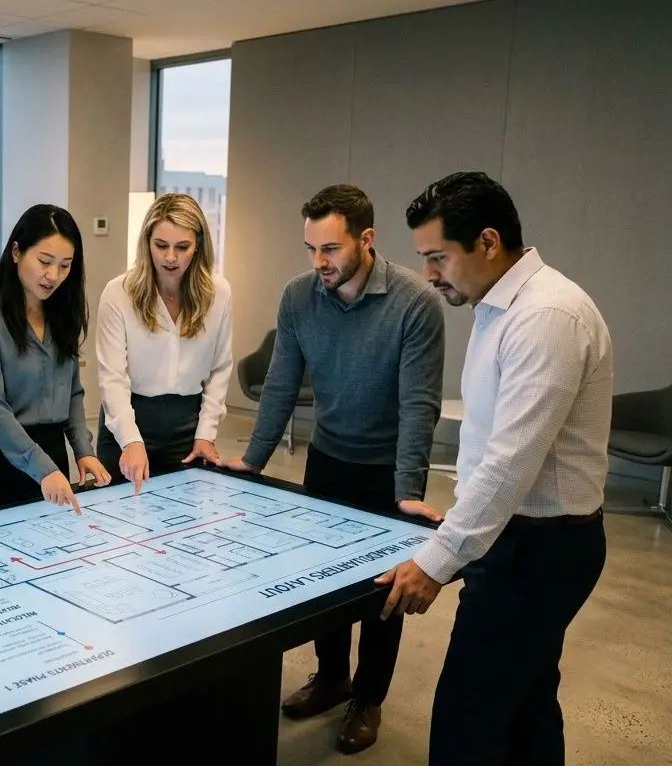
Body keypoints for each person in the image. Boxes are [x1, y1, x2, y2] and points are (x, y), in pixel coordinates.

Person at [377, 171, 612, 766]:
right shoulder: (498, 307)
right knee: (527, 701)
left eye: (437, 257)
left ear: (487, 242)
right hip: (519, 539)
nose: (428, 275)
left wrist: (435, 561)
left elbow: (509, 467)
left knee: (468, 719)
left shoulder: (546, 317)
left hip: (540, 549)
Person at [215, 184, 445, 754]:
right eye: (310, 249)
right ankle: (333, 677)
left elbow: (420, 405)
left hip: (387, 471)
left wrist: (408, 491)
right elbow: (280, 385)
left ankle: (368, 699)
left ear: (366, 240)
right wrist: (251, 462)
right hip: (328, 462)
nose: (318, 263)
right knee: (322, 586)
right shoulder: (299, 298)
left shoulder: (416, 304)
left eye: (330, 250)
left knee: (383, 596)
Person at [0, 203, 110, 512]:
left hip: (51, 455)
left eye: (65, 265)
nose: (53, 275)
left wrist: (84, 451)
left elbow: (72, 393)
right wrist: (44, 469)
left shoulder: (63, 315)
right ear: (16, 252)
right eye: (44, 261)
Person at [95, 192, 233, 491]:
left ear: (198, 246)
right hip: (126, 423)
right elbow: (112, 377)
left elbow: (220, 368)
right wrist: (131, 440)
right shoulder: (118, 293)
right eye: (161, 246)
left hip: (187, 427)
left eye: (182, 247)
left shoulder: (219, 293)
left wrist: (206, 432)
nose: (171, 257)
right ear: (147, 243)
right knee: (120, 527)